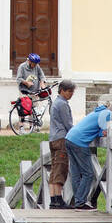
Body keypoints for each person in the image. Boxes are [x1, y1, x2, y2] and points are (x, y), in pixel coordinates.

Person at [65, 99, 112, 210]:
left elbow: (96, 128)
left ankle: (77, 201)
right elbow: (103, 129)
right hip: (79, 142)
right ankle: (80, 202)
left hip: (69, 138)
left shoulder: (94, 113)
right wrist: (106, 130)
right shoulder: (107, 113)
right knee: (88, 174)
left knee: (76, 173)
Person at [48, 79, 76, 208]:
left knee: (54, 169)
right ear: (62, 90)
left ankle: (53, 199)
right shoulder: (63, 104)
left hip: (53, 138)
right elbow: (68, 124)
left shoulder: (55, 103)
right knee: (60, 169)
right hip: (61, 139)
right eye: (69, 91)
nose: (71, 94)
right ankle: (58, 199)